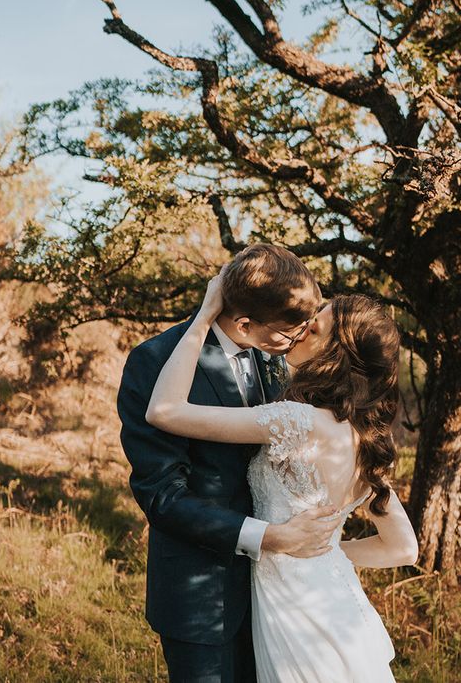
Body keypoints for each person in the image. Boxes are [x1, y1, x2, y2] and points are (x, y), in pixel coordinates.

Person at [146, 271, 420, 682]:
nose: (298, 331)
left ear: (335, 355)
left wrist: (203, 317)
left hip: (295, 614)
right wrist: (328, 553)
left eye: (314, 328)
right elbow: (403, 548)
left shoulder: (297, 421)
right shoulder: (365, 437)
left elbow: (163, 411)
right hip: (333, 601)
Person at [117, 244, 343, 683]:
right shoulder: (153, 363)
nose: (298, 341)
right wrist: (271, 537)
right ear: (244, 324)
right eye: (289, 333)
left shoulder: (274, 359)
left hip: (278, 595)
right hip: (202, 600)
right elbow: (161, 496)